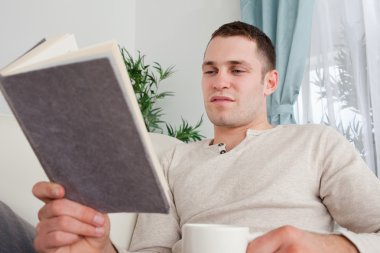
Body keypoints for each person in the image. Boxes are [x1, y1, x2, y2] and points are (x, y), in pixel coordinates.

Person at [32, 21, 380, 253]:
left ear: (270, 83)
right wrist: (99, 246)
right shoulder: (173, 160)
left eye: (237, 70)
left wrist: (325, 246)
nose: (220, 81)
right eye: (210, 70)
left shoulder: (317, 143)